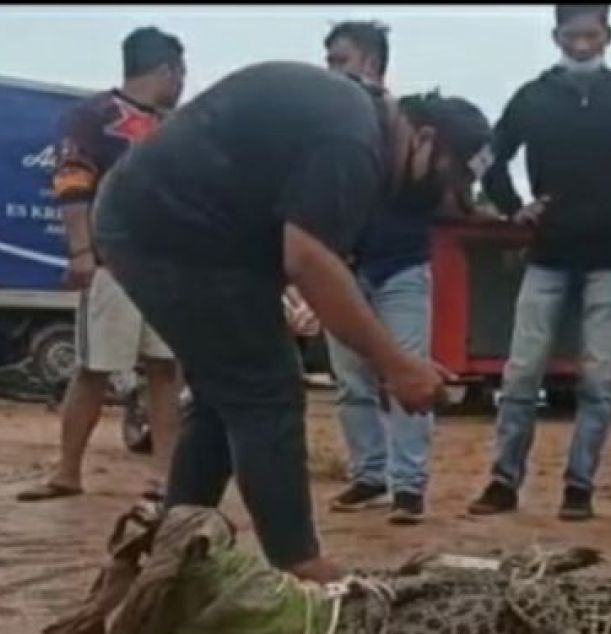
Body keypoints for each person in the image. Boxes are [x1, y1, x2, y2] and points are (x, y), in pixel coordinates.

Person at [90, 61, 492, 583]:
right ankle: (298, 564)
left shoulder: (355, 121)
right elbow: (308, 259)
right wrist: (396, 365)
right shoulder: (355, 144)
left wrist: (397, 361)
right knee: (266, 390)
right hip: (168, 232)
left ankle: (175, 545)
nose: (447, 196)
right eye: (450, 176)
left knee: (226, 392)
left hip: (169, 227)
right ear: (425, 137)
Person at [467, 4, 611, 522]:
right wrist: (514, 207)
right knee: (522, 372)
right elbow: (486, 158)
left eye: (590, 36)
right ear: (556, 35)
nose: (580, 46)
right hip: (548, 253)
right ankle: (504, 481)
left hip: (610, 256)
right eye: (571, 36)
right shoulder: (533, 97)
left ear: (608, 36)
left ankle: (580, 487)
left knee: (599, 379)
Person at [18, 27, 185, 505]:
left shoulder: (177, 126)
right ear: (167, 70)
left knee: (166, 368)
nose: (182, 84)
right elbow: (72, 181)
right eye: (181, 73)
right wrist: (81, 252)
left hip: (169, 269)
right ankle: (68, 471)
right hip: (116, 264)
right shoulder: (91, 116)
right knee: (94, 368)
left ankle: (166, 476)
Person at [321, 20, 438, 524]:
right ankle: (370, 475)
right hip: (345, 268)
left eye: (339, 61)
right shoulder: (326, 123)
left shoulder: (411, 119)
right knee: (351, 382)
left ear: (369, 61)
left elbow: (430, 189)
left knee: (407, 373)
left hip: (401, 264)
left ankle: (408, 487)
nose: (331, 72)